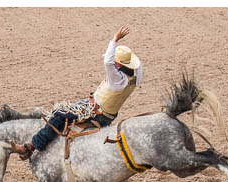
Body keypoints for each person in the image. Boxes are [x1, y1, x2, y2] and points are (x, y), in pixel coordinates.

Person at [11, 26, 142, 160]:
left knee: (60, 114)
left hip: (96, 113)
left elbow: (108, 61)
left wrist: (115, 39)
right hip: (104, 113)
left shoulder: (117, 79)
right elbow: (137, 66)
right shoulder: (133, 78)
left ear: (118, 65)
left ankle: (30, 147)